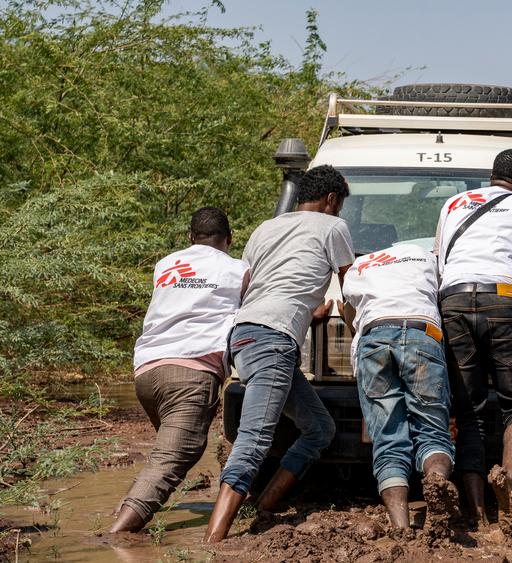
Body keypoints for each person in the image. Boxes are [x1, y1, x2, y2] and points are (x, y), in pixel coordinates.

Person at [203, 165, 354, 543]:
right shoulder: (333, 227)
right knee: (254, 440)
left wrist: (307, 311)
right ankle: (213, 540)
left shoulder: (264, 228)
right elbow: (353, 288)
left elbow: (251, 285)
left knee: (320, 429)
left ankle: (265, 505)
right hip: (274, 339)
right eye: (339, 206)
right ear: (332, 200)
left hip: (244, 334)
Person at [109, 207, 248, 534]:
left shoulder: (166, 264)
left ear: (190, 238)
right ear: (229, 238)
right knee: (173, 459)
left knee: (164, 455)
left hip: (147, 372)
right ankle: (115, 538)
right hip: (191, 372)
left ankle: (124, 509)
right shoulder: (238, 270)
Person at [434, 148, 512, 539]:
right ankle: (508, 477)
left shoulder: (453, 203)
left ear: (491, 175)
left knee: (469, 413)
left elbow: (440, 266)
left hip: (454, 299)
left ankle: (477, 512)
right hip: (504, 298)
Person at [340, 243, 459, 533]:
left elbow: (348, 312)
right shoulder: (429, 258)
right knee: (433, 432)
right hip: (422, 332)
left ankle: (402, 528)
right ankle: (436, 481)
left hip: (374, 334)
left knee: (389, 439)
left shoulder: (361, 264)